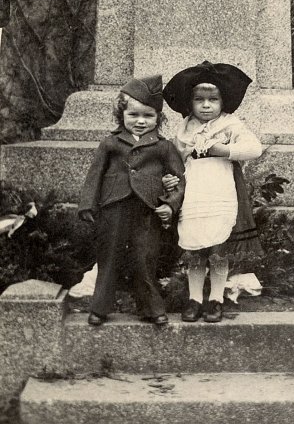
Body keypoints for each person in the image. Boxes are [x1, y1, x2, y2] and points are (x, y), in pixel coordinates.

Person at [78, 75, 185, 326]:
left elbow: (180, 179)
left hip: (148, 210)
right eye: (133, 115)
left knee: (144, 258)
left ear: (158, 118)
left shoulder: (163, 146)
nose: (140, 121)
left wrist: (170, 204)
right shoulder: (111, 143)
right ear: (121, 115)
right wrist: (87, 204)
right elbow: (95, 176)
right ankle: (100, 308)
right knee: (109, 257)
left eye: (148, 116)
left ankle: (151, 308)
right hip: (113, 207)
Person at [163, 60, 263, 323]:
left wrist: (225, 150)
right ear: (190, 102)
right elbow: (175, 160)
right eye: (199, 99)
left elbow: (255, 148)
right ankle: (195, 298)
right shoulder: (184, 129)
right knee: (195, 247)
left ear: (223, 101)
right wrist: (172, 178)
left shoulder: (230, 126)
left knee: (218, 248)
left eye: (213, 99)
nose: (206, 105)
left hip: (221, 188)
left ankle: (216, 299)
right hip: (195, 191)